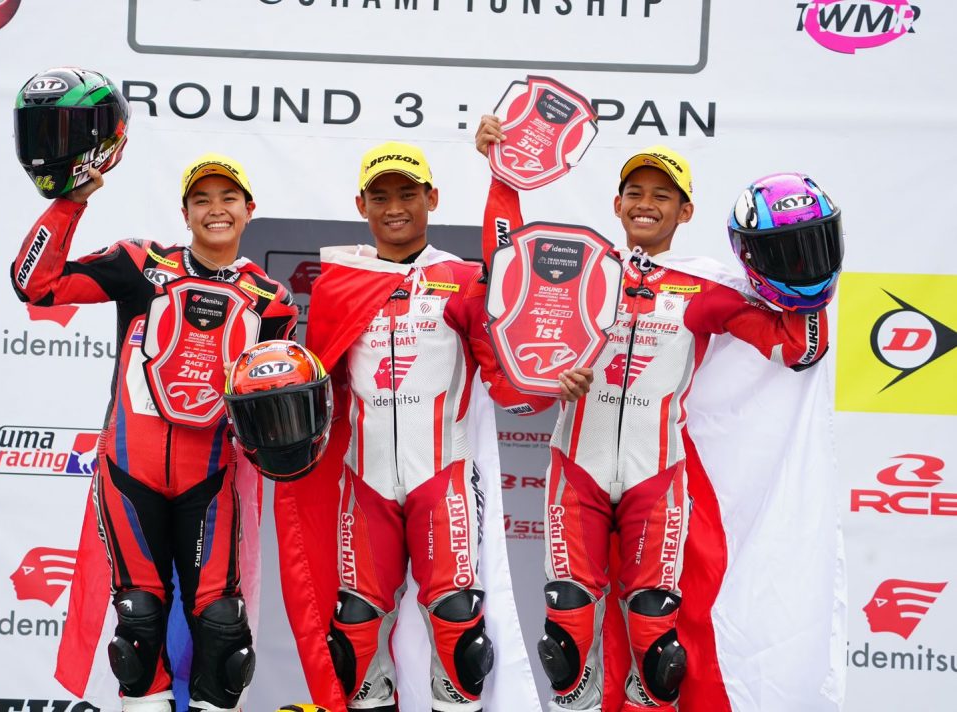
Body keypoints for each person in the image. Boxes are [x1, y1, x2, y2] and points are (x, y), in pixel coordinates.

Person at [476, 116, 836, 712]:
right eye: (635, 192)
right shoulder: (578, 270)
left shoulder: (708, 288)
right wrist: (503, 178)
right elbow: (504, 268)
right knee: (565, 636)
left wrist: (808, 272)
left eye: (662, 195)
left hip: (658, 476)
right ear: (616, 204)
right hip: (577, 471)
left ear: (685, 212)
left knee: (657, 644)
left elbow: (798, 349)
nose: (646, 204)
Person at [273, 141, 593, 712]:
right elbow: (320, 392)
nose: (395, 207)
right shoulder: (338, 283)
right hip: (364, 484)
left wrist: (548, 383)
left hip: (442, 480)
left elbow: (505, 383)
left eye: (408, 194)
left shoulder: (464, 279)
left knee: (458, 625)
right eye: (380, 197)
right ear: (361, 205)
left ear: (432, 198)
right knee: (354, 628)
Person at [11, 153, 298, 712]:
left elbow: (272, 405)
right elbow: (37, 286)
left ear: (249, 209)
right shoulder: (143, 263)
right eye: (201, 200)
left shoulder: (271, 300)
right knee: (138, 621)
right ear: (185, 213)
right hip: (129, 471)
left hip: (211, 480)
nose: (216, 210)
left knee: (223, 626)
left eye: (228, 198)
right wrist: (71, 202)